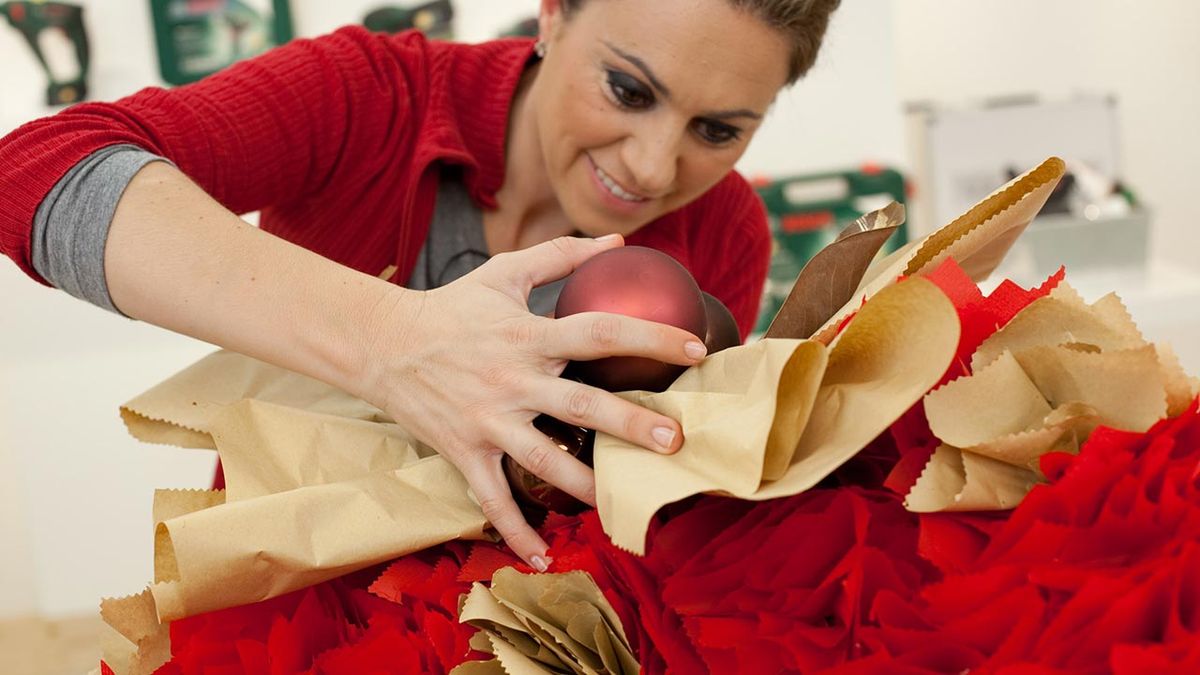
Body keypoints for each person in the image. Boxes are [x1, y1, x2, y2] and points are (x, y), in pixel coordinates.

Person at [0, 0, 840, 571]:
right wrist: (391, 341)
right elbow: (34, 172)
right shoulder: (367, 95)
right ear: (553, 13)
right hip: (279, 598)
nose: (654, 166)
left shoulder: (723, 230)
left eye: (717, 129)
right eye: (626, 88)